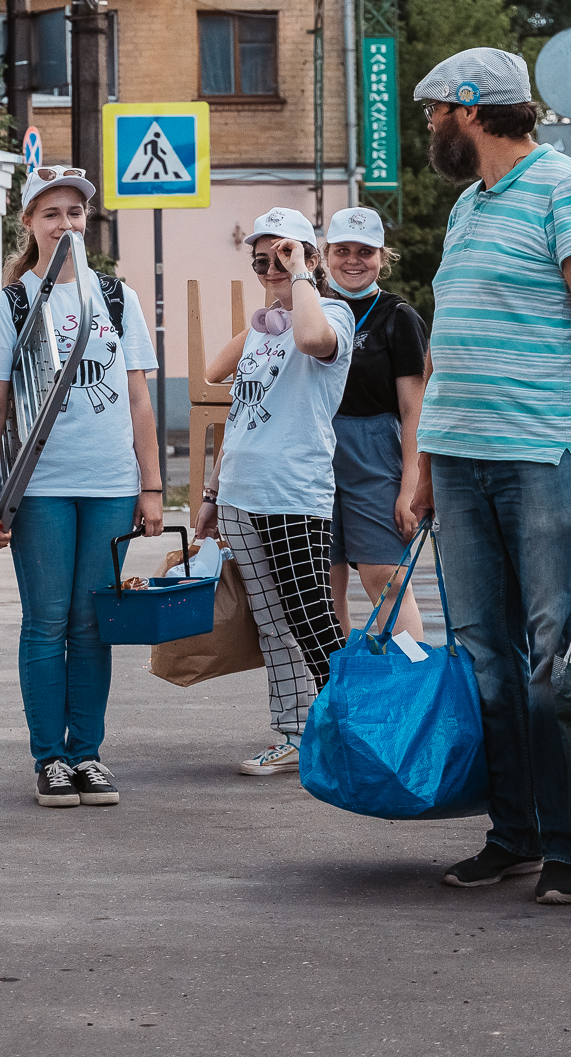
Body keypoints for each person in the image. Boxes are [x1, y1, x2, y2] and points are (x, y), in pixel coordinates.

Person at [398, 47, 571, 908]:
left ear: (469, 108)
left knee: (555, 658)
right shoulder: (469, 207)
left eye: (434, 110)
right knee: (484, 659)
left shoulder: (566, 188)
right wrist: (427, 463)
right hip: (462, 463)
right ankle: (514, 832)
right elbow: (452, 349)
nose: (428, 126)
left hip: (546, 456)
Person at [0, 167, 165, 808]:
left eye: (75, 213)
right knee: (47, 623)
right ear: (28, 224)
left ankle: (89, 755)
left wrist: (152, 486)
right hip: (41, 487)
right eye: (51, 214)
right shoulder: (13, 304)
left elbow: (139, 398)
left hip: (109, 484)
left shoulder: (116, 298)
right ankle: (49, 758)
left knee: (92, 625)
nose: (65, 225)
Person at [192, 208, 355, 777]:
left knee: (310, 613)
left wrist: (300, 276)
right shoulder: (268, 327)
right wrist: (212, 492)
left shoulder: (332, 314)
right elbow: (221, 380)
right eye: (261, 260)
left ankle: (349, 725)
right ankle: (295, 732)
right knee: (271, 621)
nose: (271, 268)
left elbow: (313, 339)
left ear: (310, 257)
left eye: (282, 256)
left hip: (291, 490)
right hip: (240, 489)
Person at [321, 206, 428, 642]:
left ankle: (412, 686)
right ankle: (335, 693)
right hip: (313, 450)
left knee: (387, 577)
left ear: (383, 257)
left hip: (375, 452)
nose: (353, 260)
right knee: (323, 588)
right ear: (324, 254)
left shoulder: (398, 317)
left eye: (365, 251)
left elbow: (413, 410)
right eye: (342, 249)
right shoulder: (310, 309)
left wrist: (410, 486)